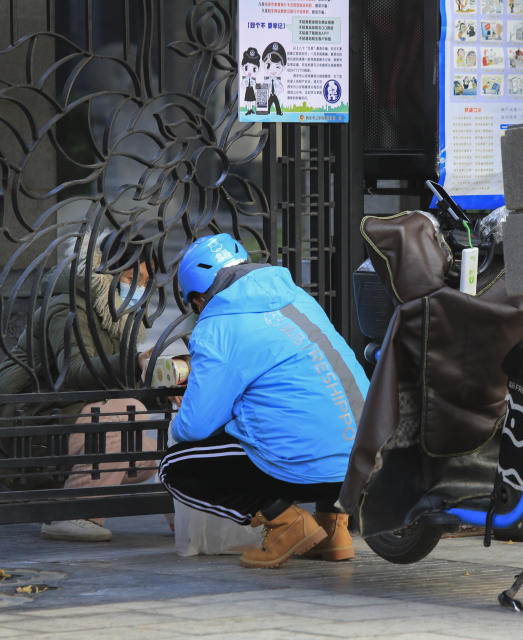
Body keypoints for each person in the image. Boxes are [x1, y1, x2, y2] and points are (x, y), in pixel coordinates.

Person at [158, 234, 369, 568]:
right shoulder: (297, 297)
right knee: (321, 420)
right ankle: (333, 530)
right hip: (363, 458)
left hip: (307, 465)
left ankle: (286, 523)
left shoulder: (217, 324)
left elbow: (195, 427)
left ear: (198, 299)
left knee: (175, 466)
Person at [0, 232, 162, 542]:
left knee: (155, 456)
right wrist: (133, 361)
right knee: (125, 412)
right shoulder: (69, 307)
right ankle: (71, 514)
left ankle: (190, 521)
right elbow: (76, 373)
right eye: (132, 277)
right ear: (107, 270)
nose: (138, 288)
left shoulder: (116, 316)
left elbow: (116, 382)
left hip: (65, 419)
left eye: (146, 281)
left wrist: (160, 381)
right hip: (25, 422)